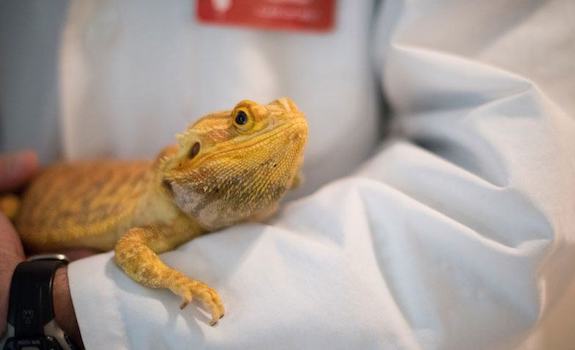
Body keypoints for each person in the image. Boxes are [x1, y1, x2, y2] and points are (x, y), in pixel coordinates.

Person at [1, 0, 575, 349]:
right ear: (192, 154)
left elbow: (508, 193)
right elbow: (129, 248)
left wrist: (64, 309)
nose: (283, 121)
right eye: (245, 120)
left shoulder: (168, 224)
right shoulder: (163, 210)